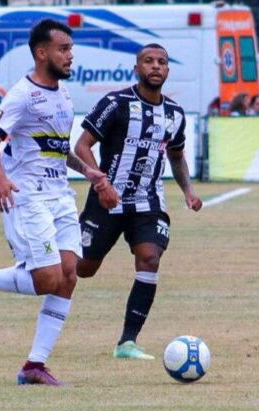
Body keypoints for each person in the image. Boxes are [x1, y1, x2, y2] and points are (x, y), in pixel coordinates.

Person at [0, 19, 113, 386]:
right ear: (42, 53)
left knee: (69, 276)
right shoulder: (22, 95)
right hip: (28, 196)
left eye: (71, 49)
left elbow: (55, 147)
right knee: (46, 278)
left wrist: (88, 170)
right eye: (63, 49)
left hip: (60, 196)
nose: (71, 56)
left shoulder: (64, 95)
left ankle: (34, 365)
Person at [73, 43, 203, 360]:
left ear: (168, 71)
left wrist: (187, 189)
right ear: (137, 68)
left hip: (149, 201)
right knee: (81, 269)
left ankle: (127, 343)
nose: (155, 66)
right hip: (107, 199)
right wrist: (100, 181)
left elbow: (176, 156)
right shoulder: (115, 103)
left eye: (161, 62)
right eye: (148, 61)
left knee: (150, 258)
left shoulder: (174, 114)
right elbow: (82, 146)